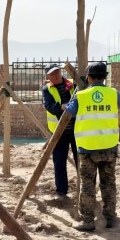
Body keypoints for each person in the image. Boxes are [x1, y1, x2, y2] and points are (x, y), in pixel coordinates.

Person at [65, 62, 120, 232]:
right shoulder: (114, 94)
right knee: (108, 184)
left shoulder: (81, 96)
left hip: (88, 148)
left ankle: (88, 221)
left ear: (88, 78)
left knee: (88, 186)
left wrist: (76, 94)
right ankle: (111, 218)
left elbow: (70, 111)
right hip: (109, 146)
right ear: (105, 77)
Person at [42, 63, 78, 201]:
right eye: (52, 74)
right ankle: (62, 190)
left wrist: (70, 107)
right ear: (48, 76)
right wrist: (64, 107)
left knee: (80, 159)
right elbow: (49, 106)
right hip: (59, 131)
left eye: (57, 72)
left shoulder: (72, 84)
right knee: (59, 161)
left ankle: (83, 187)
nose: (56, 76)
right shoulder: (47, 89)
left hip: (76, 130)